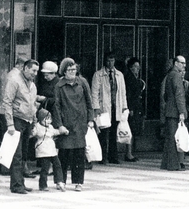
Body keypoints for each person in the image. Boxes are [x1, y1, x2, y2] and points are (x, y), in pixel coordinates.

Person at [52, 58, 94, 190]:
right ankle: (60, 181)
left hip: (80, 123)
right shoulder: (59, 85)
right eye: (69, 70)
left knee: (79, 153)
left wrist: (91, 119)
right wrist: (59, 125)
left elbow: (89, 102)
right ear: (63, 71)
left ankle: (78, 182)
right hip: (66, 123)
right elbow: (56, 106)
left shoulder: (82, 82)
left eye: (74, 69)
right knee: (63, 153)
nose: (72, 72)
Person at [1, 59, 40, 194]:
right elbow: (7, 102)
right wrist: (10, 123)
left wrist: (34, 123)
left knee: (23, 154)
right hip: (17, 119)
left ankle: (20, 182)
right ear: (25, 68)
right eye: (33, 70)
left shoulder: (32, 85)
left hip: (28, 120)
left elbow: (33, 105)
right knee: (16, 154)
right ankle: (17, 185)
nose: (35, 73)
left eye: (36, 71)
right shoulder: (15, 80)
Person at [92, 52, 129, 164]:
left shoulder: (119, 75)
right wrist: (96, 107)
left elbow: (123, 92)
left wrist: (124, 107)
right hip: (104, 108)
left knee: (114, 133)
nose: (110, 63)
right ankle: (103, 157)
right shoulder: (98, 75)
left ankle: (113, 156)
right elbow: (94, 92)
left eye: (112, 60)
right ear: (105, 61)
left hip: (115, 107)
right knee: (104, 134)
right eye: (108, 60)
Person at [160, 56, 188, 171]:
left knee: (170, 139)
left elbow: (166, 95)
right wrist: (182, 111)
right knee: (173, 139)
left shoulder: (170, 75)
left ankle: (166, 164)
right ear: (176, 63)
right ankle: (173, 165)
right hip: (175, 111)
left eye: (185, 63)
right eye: (182, 63)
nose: (184, 65)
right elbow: (179, 94)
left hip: (170, 110)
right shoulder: (176, 75)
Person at [32, 108, 67, 192]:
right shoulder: (37, 126)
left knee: (57, 165)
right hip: (43, 150)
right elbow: (34, 133)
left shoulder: (50, 127)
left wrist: (62, 131)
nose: (48, 121)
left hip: (52, 150)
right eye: (46, 119)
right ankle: (43, 185)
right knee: (45, 168)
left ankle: (60, 181)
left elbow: (55, 132)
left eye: (50, 119)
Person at [124, 57, 145, 162]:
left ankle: (130, 152)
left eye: (138, 66)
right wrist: (130, 108)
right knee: (130, 130)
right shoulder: (129, 78)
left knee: (132, 129)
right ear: (131, 67)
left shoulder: (134, 77)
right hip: (131, 107)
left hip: (136, 106)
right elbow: (129, 94)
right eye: (135, 66)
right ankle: (128, 153)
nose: (138, 68)